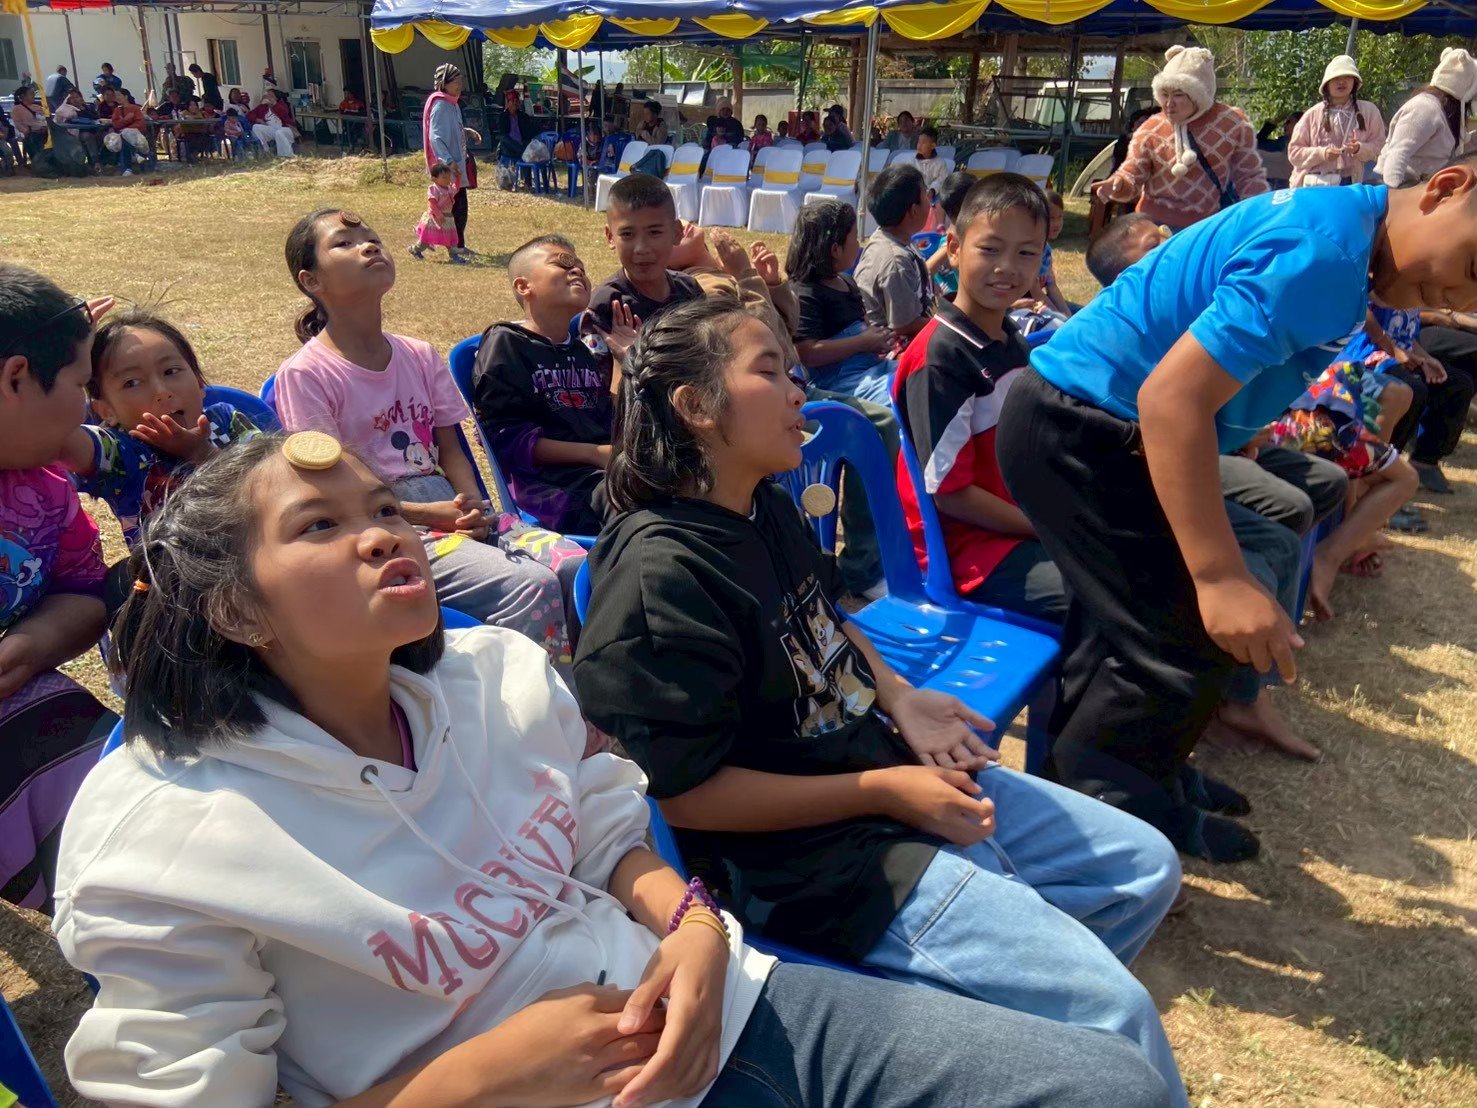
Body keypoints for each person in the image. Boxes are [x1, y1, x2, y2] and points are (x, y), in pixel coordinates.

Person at [56, 429, 1175, 1108]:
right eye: (319, 526)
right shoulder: (164, 841)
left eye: (386, 508)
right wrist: (475, 1081)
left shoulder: (494, 676)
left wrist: (689, 924)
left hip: (726, 1010)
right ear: (236, 607)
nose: (385, 534)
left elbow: (604, 825)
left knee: (1106, 1083)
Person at [572, 298, 1188, 1105]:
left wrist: (900, 698)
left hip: (882, 773)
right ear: (696, 407)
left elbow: (826, 618)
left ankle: (1019, 1042)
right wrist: (887, 791)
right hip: (818, 867)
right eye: (769, 371)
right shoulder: (660, 580)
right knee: (1117, 1012)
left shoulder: (759, 503)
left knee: (1144, 868)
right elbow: (686, 798)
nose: (799, 390)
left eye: (793, 370)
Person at [999, 159, 1477, 863]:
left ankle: (1132, 781)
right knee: (1176, 640)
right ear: (1446, 188)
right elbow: (1171, 400)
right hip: (1088, 430)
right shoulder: (1325, 254)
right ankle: (1098, 836)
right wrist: (1219, 576)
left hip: (1093, 423)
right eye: (1473, 266)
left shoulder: (1345, 230)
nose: (1462, 296)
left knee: (1122, 631)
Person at [274, 209, 577, 660]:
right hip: (389, 527)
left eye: (372, 238)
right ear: (311, 280)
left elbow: (450, 448)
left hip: (454, 510)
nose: (369, 246)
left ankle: (585, 686)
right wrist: (424, 513)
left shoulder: (418, 354)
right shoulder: (306, 375)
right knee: (528, 585)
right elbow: (330, 489)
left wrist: (470, 503)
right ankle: (550, 702)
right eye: (344, 243)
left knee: (575, 566)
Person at [669, 220, 893, 599]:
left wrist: (773, 285)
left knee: (879, 423)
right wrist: (745, 274)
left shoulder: (719, 270)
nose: (683, 226)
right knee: (871, 424)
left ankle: (864, 558)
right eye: (671, 233)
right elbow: (768, 341)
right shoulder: (696, 286)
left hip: (793, 384)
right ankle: (859, 564)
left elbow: (786, 329)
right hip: (776, 392)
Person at [894, 175, 1066, 626]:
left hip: (1017, 521)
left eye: (1026, 253)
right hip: (972, 552)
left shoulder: (1009, 338)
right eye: (990, 249)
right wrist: (1047, 526)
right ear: (953, 248)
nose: (1007, 267)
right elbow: (952, 497)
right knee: (1114, 596)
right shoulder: (941, 358)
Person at [0, 266, 117, 914]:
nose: (87, 407)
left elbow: (83, 590)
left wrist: (32, 645)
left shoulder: (46, 492)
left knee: (111, 788)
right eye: (80, 384)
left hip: (16, 705)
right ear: (16, 377)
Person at [56, 307, 261, 571]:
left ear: (200, 384)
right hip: (175, 588)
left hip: (257, 569)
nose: (162, 391)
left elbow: (275, 483)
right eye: (132, 383)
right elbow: (55, 436)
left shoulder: (226, 422)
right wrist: (62, 357)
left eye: (171, 371)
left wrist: (202, 454)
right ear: (105, 411)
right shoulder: (119, 453)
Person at [474, 236, 634, 536]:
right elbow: (506, 439)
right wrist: (593, 453)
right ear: (524, 286)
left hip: (603, 471)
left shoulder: (581, 351)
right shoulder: (506, 343)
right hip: (551, 490)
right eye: (562, 263)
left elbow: (608, 422)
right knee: (637, 504)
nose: (577, 270)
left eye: (581, 267)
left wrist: (626, 363)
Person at [1265, 357, 1419, 621]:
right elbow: (1348, 457)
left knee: (1356, 464)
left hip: (1282, 420)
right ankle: (1330, 555)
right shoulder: (1342, 389)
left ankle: (1354, 540)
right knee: (1405, 479)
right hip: (1308, 427)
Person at [1092, 46, 1267, 232]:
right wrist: (1118, 184)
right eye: (1164, 95)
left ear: (1199, 96)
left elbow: (1249, 177)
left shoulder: (1233, 124)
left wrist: (1262, 217)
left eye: (1178, 95)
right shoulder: (1151, 128)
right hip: (1153, 227)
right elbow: (1132, 174)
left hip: (1205, 228)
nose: (1169, 103)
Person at [787, 200, 897, 406]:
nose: (858, 244)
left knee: (919, 377)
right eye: (854, 237)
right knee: (902, 397)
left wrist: (878, 338)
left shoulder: (847, 282)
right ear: (836, 250)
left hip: (871, 368)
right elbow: (807, 353)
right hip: (839, 385)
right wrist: (862, 342)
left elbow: (864, 324)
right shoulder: (805, 293)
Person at [588, 173, 705, 335]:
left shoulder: (689, 290)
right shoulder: (605, 306)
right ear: (610, 237)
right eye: (627, 234)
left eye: (654, 232)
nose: (641, 248)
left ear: (677, 233)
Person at [854, 164, 935, 340]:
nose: (930, 202)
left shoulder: (887, 237)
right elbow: (904, 325)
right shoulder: (896, 261)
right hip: (895, 343)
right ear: (914, 210)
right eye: (926, 194)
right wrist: (945, 325)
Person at [1376, 49, 1477, 188]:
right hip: (1396, 187)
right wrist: (1394, 194)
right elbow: (1397, 155)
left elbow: (1456, 148)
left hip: (1417, 188)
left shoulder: (1443, 112)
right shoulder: (1424, 108)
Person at [1287, 55, 1385, 188]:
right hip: (1315, 185)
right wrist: (1322, 154)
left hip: (1352, 184)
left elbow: (1380, 146)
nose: (1342, 82)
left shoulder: (1369, 111)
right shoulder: (1312, 114)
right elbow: (1294, 153)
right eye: (1336, 78)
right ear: (1327, 84)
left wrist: (1359, 148)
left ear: (1355, 82)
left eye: (1347, 77)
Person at [424, 63, 480, 259]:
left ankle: (456, 245)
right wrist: (449, 161)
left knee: (457, 207)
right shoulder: (440, 106)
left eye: (460, 80)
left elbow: (451, 129)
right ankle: (452, 246)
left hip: (455, 164)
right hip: (449, 168)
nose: (459, 84)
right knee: (456, 208)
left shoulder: (452, 104)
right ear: (444, 83)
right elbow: (435, 137)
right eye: (456, 81)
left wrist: (466, 131)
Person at [408, 161, 462, 262]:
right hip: (435, 220)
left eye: (449, 177)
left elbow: (456, 188)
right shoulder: (434, 189)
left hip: (447, 219)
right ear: (434, 179)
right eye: (444, 177)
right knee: (427, 239)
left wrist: (458, 177)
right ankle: (415, 249)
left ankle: (454, 256)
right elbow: (432, 204)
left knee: (451, 239)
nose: (447, 180)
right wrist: (439, 215)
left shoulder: (449, 189)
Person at [101, 86, 149, 174]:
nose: (117, 98)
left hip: (135, 133)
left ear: (126, 96)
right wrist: (125, 120)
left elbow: (140, 123)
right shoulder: (117, 110)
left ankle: (127, 168)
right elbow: (116, 125)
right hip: (123, 134)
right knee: (124, 138)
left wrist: (126, 128)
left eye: (118, 95)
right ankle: (135, 154)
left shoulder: (135, 108)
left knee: (125, 135)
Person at [53, 87, 101, 167]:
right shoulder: (67, 110)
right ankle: (96, 162)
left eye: (77, 97)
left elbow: (96, 117)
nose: (75, 100)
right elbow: (66, 115)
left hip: (92, 130)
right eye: (72, 98)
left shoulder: (87, 107)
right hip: (74, 134)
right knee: (87, 136)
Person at [248, 87, 297, 157]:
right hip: (272, 129)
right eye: (267, 95)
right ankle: (266, 150)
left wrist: (274, 104)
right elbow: (249, 115)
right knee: (256, 127)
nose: (268, 97)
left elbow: (284, 114)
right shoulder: (263, 107)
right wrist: (257, 119)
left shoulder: (281, 105)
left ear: (276, 98)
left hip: (285, 129)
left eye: (271, 96)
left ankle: (286, 155)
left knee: (279, 132)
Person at [9, 86, 48, 165]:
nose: (33, 95)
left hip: (45, 132)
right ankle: (40, 163)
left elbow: (46, 118)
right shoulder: (16, 109)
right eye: (31, 94)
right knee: (35, 142)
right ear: (23, 96)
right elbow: (18, 124)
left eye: (34, 93)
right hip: (31, 134)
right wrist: (26, 131)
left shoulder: (38, 107)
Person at [913, 125, 949, 197]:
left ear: (933, 146)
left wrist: (932, 191)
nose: (919, 145)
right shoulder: (912, 160)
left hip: (933, 196)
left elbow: (941, 180)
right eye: (919, 142)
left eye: (923, 143)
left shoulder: (940, 163)